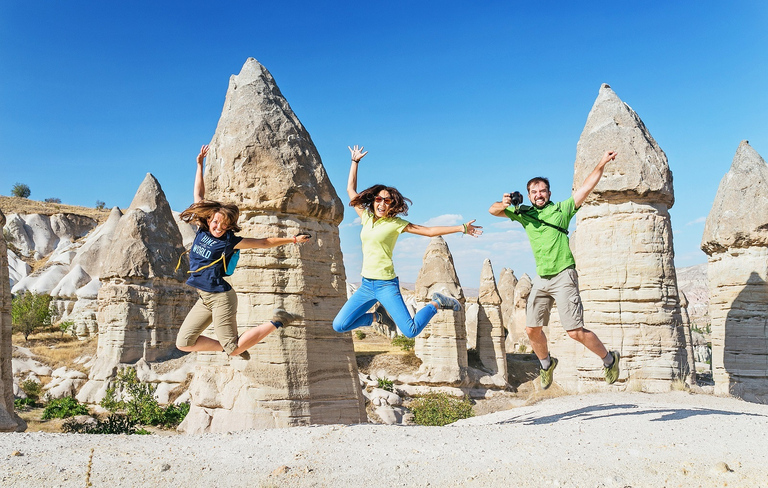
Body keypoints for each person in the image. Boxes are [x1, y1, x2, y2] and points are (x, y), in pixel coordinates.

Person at [488, 150, 621, 389]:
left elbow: (587, 186)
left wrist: (601, 162)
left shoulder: (562, 210)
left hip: (563, 275)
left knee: (575, 332)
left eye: (542, 191)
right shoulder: (524, 214)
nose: (538, 195)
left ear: (549, 193)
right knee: (531, 329)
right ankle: (547, 364)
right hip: (542, 278)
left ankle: (609, 359)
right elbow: (492, 211)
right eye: (534, 192)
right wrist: (505, 202)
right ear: (528, 195)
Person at [175, 145, 311, 361]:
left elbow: (264, 242)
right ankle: (232, 347)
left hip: (221, 297)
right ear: (210, 219)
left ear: (229, 227)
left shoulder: (229, 242)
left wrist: (293, 239)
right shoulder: (202, 228)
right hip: (204, 298)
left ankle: (278, 321)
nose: (218, 227)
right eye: (216, 222)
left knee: (234, 348)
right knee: (184, 343)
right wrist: (200, 164)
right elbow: (198, 194)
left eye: (224, 225)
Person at [333, 145, 483, 338]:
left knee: (411, 331)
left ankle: (436, 303)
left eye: (387, 201)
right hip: (366, 285)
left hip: (386, 285)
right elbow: (350, 189)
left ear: (392, 204)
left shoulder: (396, 223)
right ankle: (376, 318)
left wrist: (461, 228)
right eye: (379, 199)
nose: (382, 204)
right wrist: (355, 162)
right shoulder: (366, 217)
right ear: (373, 201)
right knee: (340, 325)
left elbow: (428, 231)